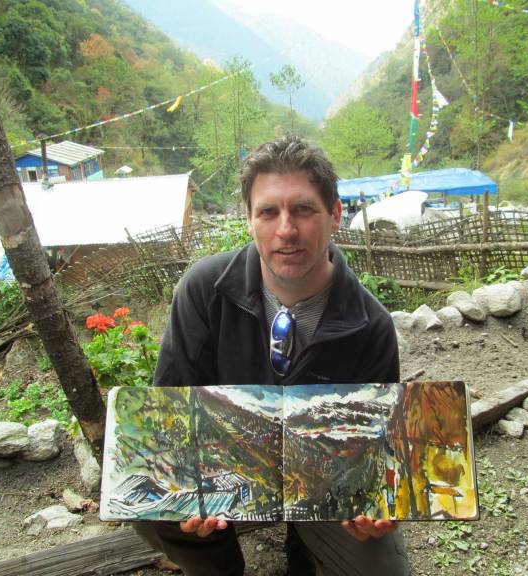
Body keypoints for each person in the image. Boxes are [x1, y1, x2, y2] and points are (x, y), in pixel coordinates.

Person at [134, 135, 408, 576]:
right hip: (224, 475)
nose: (286, 229)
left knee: (382, 571)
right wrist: (186, 488)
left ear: (335, 215)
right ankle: (216, 565)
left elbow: (374, 449)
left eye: (303, 209)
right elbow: (167, 410)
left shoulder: (370, 326)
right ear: (248, 219)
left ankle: (307, 548)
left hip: (323, 486)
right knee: (142, 496)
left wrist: (374, 504)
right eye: (268, 212)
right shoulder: (203, 292)